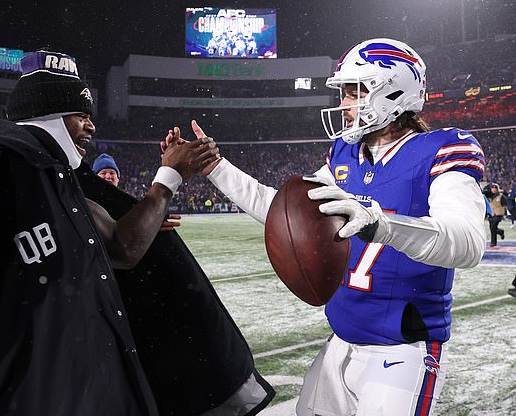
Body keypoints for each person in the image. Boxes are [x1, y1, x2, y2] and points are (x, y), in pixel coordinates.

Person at [164, 38, 486, 415]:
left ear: (393, 91)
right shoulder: (345, 156)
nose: (344, 106)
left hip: (401, 351)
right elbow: (285, 211)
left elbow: (466, 243)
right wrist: (215, 168)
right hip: (341, 343)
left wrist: (381, 225)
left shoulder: (441, 150)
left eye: (355, 92)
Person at [0, 50, 224, 415]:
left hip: (78, 387)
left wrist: (168, 176)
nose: (92, 125)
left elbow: (121, 245)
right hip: (30, 396)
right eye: (80, 114)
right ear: (46, 112)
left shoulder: (53, 178)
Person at [94, 151, 182, 231]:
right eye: (103, 173)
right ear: (95, 178)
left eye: (112, 173)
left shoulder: (126, 202)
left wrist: (153, 220)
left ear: (118, 178)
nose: (108, 176)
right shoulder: (87, 201)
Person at [487, 183, 507, 247]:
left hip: (499, 214)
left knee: (493, 227)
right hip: (491, 214)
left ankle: (493, 243)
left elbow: (504, 204)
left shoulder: (501, 196)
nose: (493, 189)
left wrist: (504, 213)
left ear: (497, 189)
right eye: (492, 188)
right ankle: (500, 232)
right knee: (492, 228)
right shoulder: (489, 195)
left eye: (495, 188)